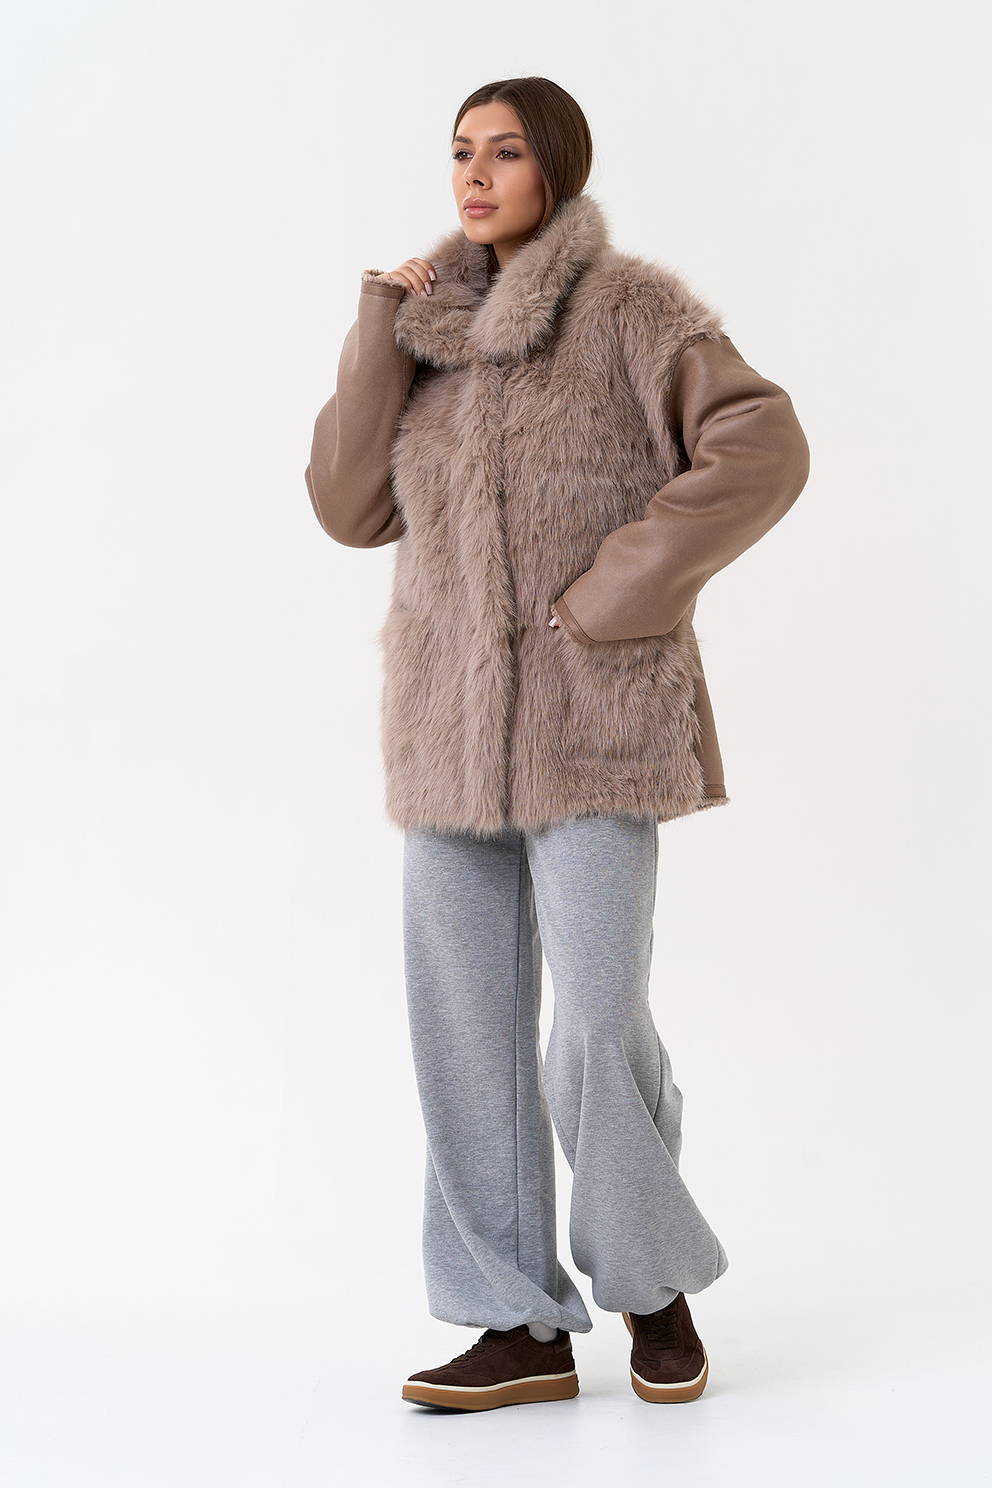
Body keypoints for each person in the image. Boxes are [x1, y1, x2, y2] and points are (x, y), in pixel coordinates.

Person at [304, 76, 809, 1412]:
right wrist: (375, 327)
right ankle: (513, 1322)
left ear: (556, 166)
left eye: (505, 151)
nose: (474, 174)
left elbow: (761, 442)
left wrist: (613, 595)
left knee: (594, 1020)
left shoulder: (633, 308)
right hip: (446, 734)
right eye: (459, 152)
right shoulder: (423, 330)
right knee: (463, 1038)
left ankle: (651, 1284)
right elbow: (348, 509)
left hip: (595, 727)